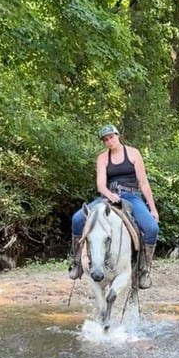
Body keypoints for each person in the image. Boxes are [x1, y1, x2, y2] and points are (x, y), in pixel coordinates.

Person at [68, 124, 159, 289]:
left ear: (117, 135)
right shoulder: (103, 158)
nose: (109, 141)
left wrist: (152, 208)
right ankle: (76, 262)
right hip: (108, 197)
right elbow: (101, 185)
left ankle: (143, 270)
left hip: (132, 196)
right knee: (77, 219)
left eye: (111, 137)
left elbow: (144, 183)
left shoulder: (133, 153)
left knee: (152, 228)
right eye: (105, 140)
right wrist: (110, 196)